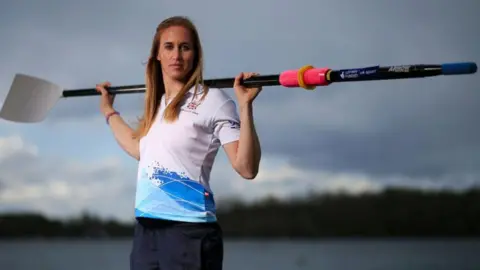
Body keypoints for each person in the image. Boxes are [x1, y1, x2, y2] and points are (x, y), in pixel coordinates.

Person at [95, 16, 262, 270]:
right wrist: (108, 110)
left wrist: (245, 106)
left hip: (189, 233)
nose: (177, 55)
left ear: (195, 54)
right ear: (157, 55)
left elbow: (246, 168)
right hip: (146, 232)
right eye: (169, 47)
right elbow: (136, 147)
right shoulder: (157, 106)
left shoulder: (213, 100)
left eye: (185, 47)